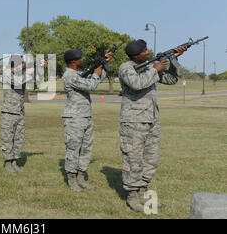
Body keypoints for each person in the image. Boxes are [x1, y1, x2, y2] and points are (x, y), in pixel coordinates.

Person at [119, 39, 187, 212]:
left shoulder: (150, 67)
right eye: (144, 50)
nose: (148, 52)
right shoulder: (126, 68)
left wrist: (173, 60)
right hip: (133, 121)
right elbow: (137, 84)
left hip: (152, 119)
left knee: (151, 159)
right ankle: (132, 196)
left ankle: (143, 192)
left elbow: (171, 79)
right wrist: (155, 69)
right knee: (133, 160)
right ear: (135, 55)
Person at [62, 48, 113, 192]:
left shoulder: (78, 74)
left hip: (85, 116)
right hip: (74, 118)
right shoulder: (69, 76)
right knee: (73, 149)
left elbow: (93, 80)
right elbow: (91, 85)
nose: (82, 60)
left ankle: (81, 177)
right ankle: (72, 179)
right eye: (80, 58)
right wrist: (96, 73)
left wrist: (102, 66)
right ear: (73, 61)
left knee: (86, 149)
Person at [0, 55, 45, 173]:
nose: (23, 65)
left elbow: (36, 83)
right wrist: (29, 72)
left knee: (19, 138)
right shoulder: (7, 74)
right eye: (21, 64)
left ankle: (15, 161)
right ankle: (7, 162)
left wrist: (39, 68)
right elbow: (17, 82)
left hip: (19, 111)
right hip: (9, 112)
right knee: (8, 138)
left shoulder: (23, 75)